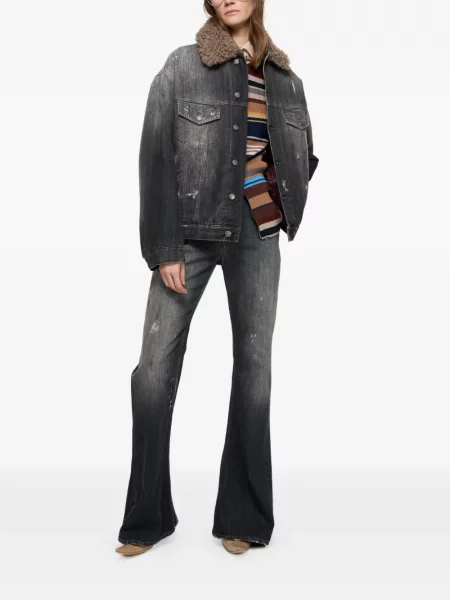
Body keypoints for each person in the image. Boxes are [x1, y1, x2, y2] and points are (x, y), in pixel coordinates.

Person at [115, 0, 319, 556]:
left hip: (259, 233)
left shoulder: (287, 81)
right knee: (153, 371)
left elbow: (303, 155)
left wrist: (282, 198)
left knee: (255, 371)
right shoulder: (183, 65)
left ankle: (243, 516)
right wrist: (164, 247)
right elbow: (155, 154)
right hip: (190, 234)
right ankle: (148, 517)